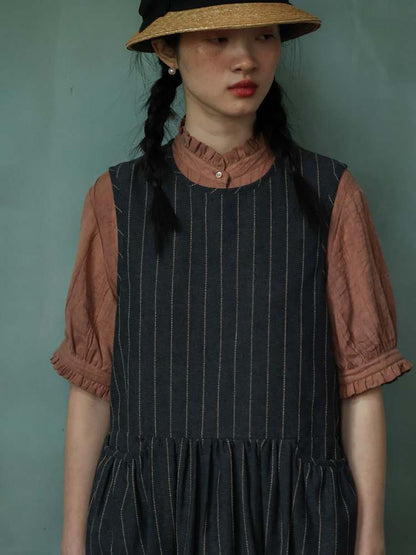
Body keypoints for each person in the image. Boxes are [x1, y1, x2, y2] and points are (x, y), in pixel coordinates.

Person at [50, 1, 413, 553]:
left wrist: (371, 539)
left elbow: (361, 389)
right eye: (218, 38)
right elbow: (92, 389)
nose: (246, 59)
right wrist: (72, 543)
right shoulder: (117, 198)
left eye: (264, 36)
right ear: (166, 50)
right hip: (149, 523)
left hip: (295, 522)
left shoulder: (331, 193)